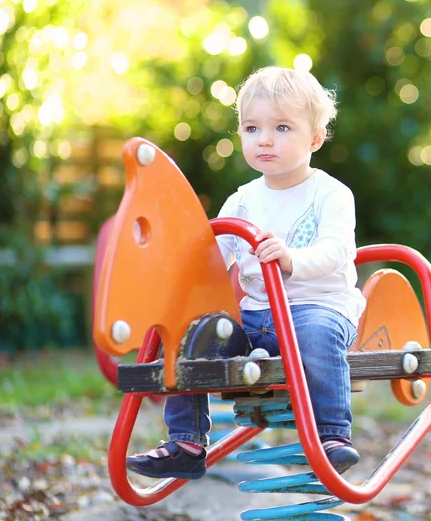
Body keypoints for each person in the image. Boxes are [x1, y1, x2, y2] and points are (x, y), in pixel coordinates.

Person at [127, 66, 366, 480]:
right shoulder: (242, 200)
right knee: (196, 334)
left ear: (315, 137)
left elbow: (338, 250)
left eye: (282, 127)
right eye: (252, 128)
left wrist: (292, 258)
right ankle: (186, 442)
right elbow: (208, 261)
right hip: (256, 320)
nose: (265, 139)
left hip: (316, 308)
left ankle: (332, 435)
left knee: (315, 334)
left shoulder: (330, 193)